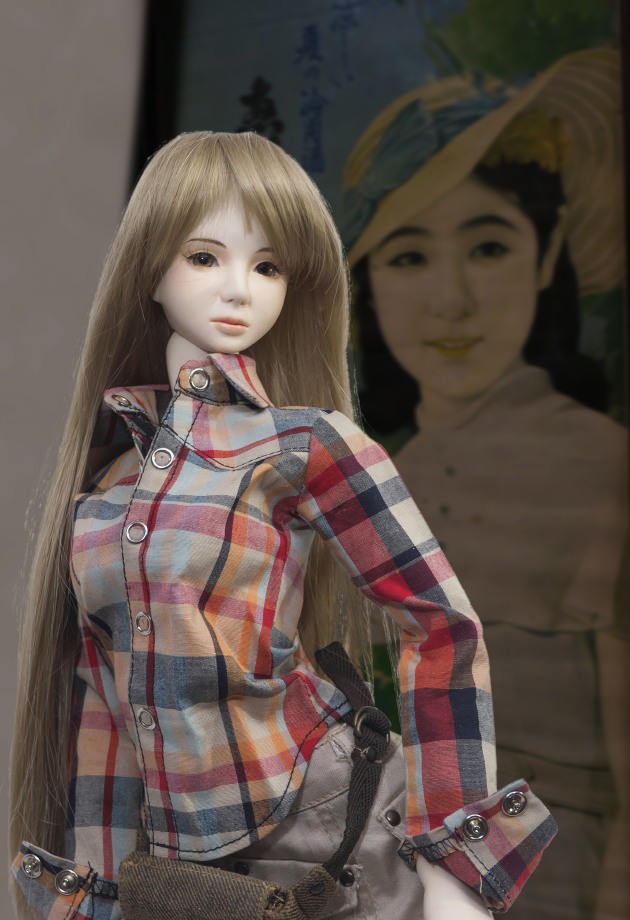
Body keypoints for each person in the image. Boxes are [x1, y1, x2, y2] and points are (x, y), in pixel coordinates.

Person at [9, 131, 555, 920]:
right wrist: (99, 892)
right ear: (149, 270)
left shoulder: (305, 444)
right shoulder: (106, 488)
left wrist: (456, 865)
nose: (239, 290)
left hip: (326, 823)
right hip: (185, 867)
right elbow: (105, 705)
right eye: (205, 258)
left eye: (268, 267)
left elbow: (442, 624)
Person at [343, 48, 628, 920]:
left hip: (557, 882)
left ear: (546, 258)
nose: (451, 301)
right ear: (369, 283)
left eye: (490, 246)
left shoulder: (603, 464)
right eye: (408, 257)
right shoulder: (360, 481)